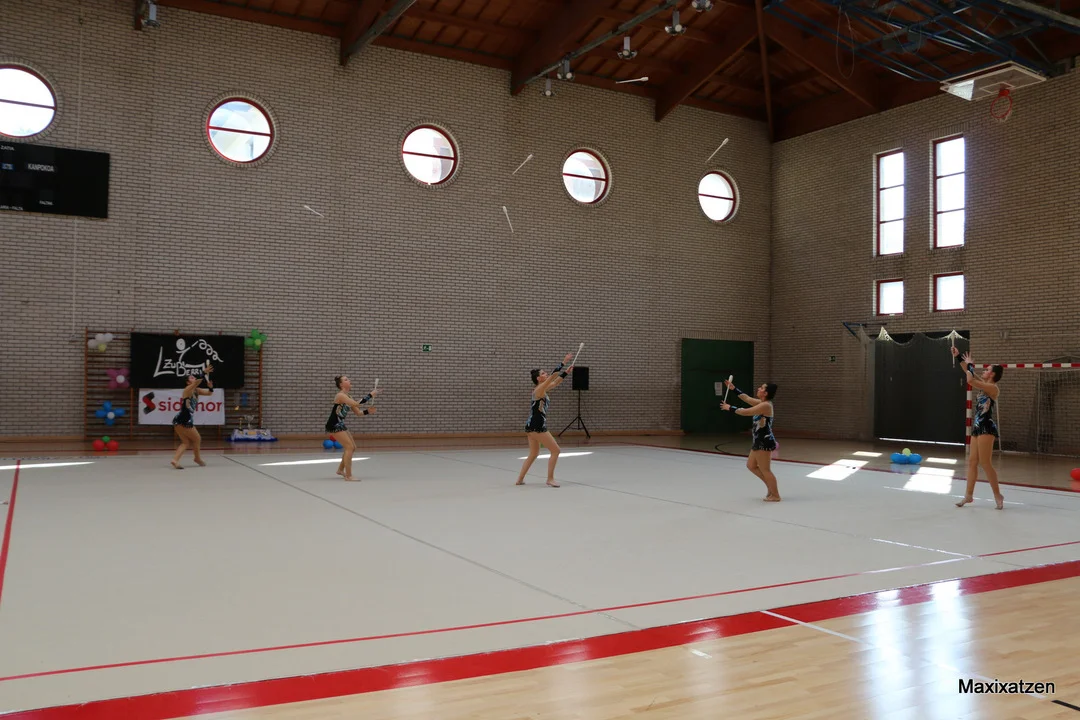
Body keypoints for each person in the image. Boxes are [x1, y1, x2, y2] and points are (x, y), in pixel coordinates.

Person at [952, 347, 1004, 509]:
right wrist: (959, 357)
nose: (984, 371)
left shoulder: (993, 388)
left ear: (992, 374)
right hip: (977, 426)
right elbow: (968, 373)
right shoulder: (984, 385)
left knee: (985, 463)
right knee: (972, 461)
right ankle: (968, 496)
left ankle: (998, 495)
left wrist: (970, 365)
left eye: (987, 370)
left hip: (986, 427)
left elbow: (970, 380)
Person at [516, 353, 573, 488]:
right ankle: (550, 479)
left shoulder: (542, 389)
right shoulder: (539, 390)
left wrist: (566, 373)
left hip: (531, 426)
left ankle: (520, 479)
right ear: (538, 378)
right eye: (543, 373)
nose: (546, 374)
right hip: (537, 427)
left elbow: (555, 382)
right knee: (556, 450)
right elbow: (552, 377)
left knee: (533, 454)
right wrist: (563, 362)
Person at [722, 380, 780, 501]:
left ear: (766, 393)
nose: (759, 389)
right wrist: (734, 389)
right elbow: (747, 399)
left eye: (762, 388)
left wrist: (730, 408)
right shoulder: (761, 403)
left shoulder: (766, 405)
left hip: (764, 441)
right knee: (751, 465)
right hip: (758, 441)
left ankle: (775, 495)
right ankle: (770, 487)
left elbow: (746, 412)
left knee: (765, 470)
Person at [326, 375, 378, 481]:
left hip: (340, 424)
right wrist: (370, 395)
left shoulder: (348, 396)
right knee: (349, 447)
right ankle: (348, 476)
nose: (349, 380)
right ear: (341, 384)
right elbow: (356, 404)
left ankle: (340, 470)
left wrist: (368, 411)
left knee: (352, 447)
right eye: (346, 380)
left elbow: (358, 412)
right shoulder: (340, 395)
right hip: (334, 424)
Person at [171, 364, 214, 469]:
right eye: (191, 378)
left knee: (185, 442)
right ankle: (197, 458)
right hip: (184, 419)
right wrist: (204, 372)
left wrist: (210, 387)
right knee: (197, 439)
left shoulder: (196, 390)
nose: (193, 378)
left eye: (193, 377)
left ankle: (175, 460)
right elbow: (198, 381)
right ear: (188, 382)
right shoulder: (187, 390)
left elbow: (209, 393)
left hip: (179, 419)